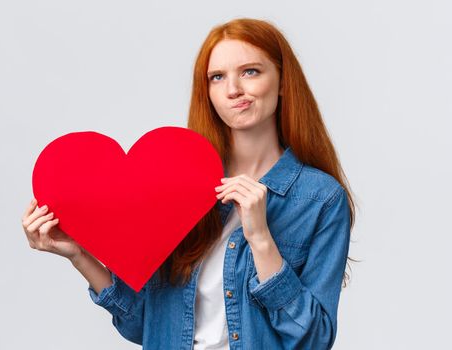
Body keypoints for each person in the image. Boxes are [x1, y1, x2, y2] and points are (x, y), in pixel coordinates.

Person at [21, 18, 356, 350]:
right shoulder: (177, 185)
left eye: (250, 71)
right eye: (217, 77)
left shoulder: (320, 199)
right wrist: (78, 254)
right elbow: (141, 322)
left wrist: (260, 238)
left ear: (283, 81)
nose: (233, 89)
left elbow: (313, 339)